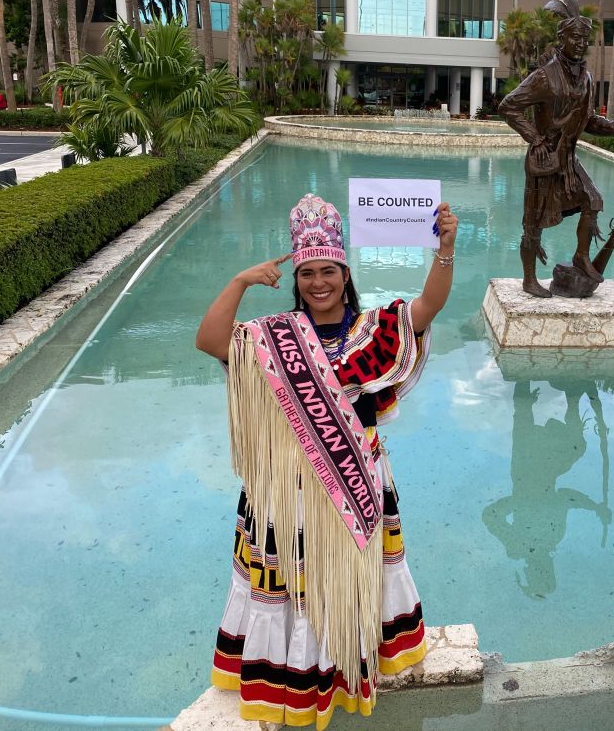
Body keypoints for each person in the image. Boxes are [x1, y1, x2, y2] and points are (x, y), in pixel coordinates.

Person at [196, 193, 458, 728]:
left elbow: (427, 308)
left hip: (354, 479)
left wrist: (445, 249)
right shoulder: (272, 337)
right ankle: (293, 677)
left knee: (352, 579)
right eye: (309, 273)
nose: (319, 283)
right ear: (297, 278)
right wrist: (241, 282)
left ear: (344, 272)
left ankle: (346, 666)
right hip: (286, 487)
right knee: (293, 582)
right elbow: (209, 340)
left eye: (329, 272)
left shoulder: (375, 330)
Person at [498, 0, 614, 298]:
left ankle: (581, 256)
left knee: (593, 200)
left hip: (568, 161)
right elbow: (508, 106)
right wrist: (534, 136)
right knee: (533, 224)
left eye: (584, 40)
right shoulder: (544, 77)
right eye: (575, 38)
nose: (580, 44)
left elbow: (589, 120)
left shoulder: (587, 79)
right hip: (545, 161)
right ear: (561, 39)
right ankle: (529, 279)